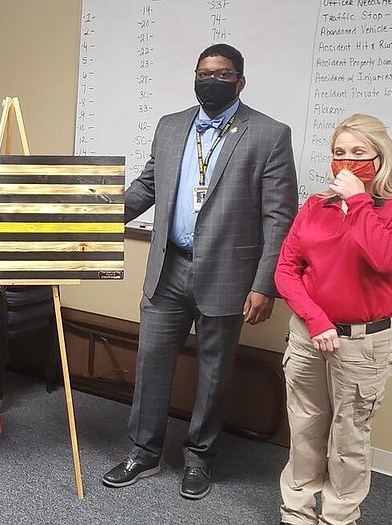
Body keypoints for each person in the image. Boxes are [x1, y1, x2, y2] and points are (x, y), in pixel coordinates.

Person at [102, 43, 298, 499]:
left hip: (229, 276)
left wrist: (264, 284)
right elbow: (147, 186)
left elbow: (278, 216)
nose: (211, 80)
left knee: (214, 371)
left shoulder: (269, 134)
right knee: (151, 363)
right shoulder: (171, 127)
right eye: (203, 72)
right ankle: (143, 452)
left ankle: (199, 459)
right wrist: (97, 216)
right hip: (169, 267)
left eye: (222, 74)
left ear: (240, 82)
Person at [275, 114, 392, 525]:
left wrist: (359, 201)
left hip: (364, 344)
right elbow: (286, 270)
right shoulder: (314, 206)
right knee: (305, 428)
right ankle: (297, 513)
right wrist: (316, 320)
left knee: (348, 438)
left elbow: (386, 257)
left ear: (381, 158)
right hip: (310, 335)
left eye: (358, 153)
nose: (346, 162)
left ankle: (339, 517)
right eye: (339, 153)